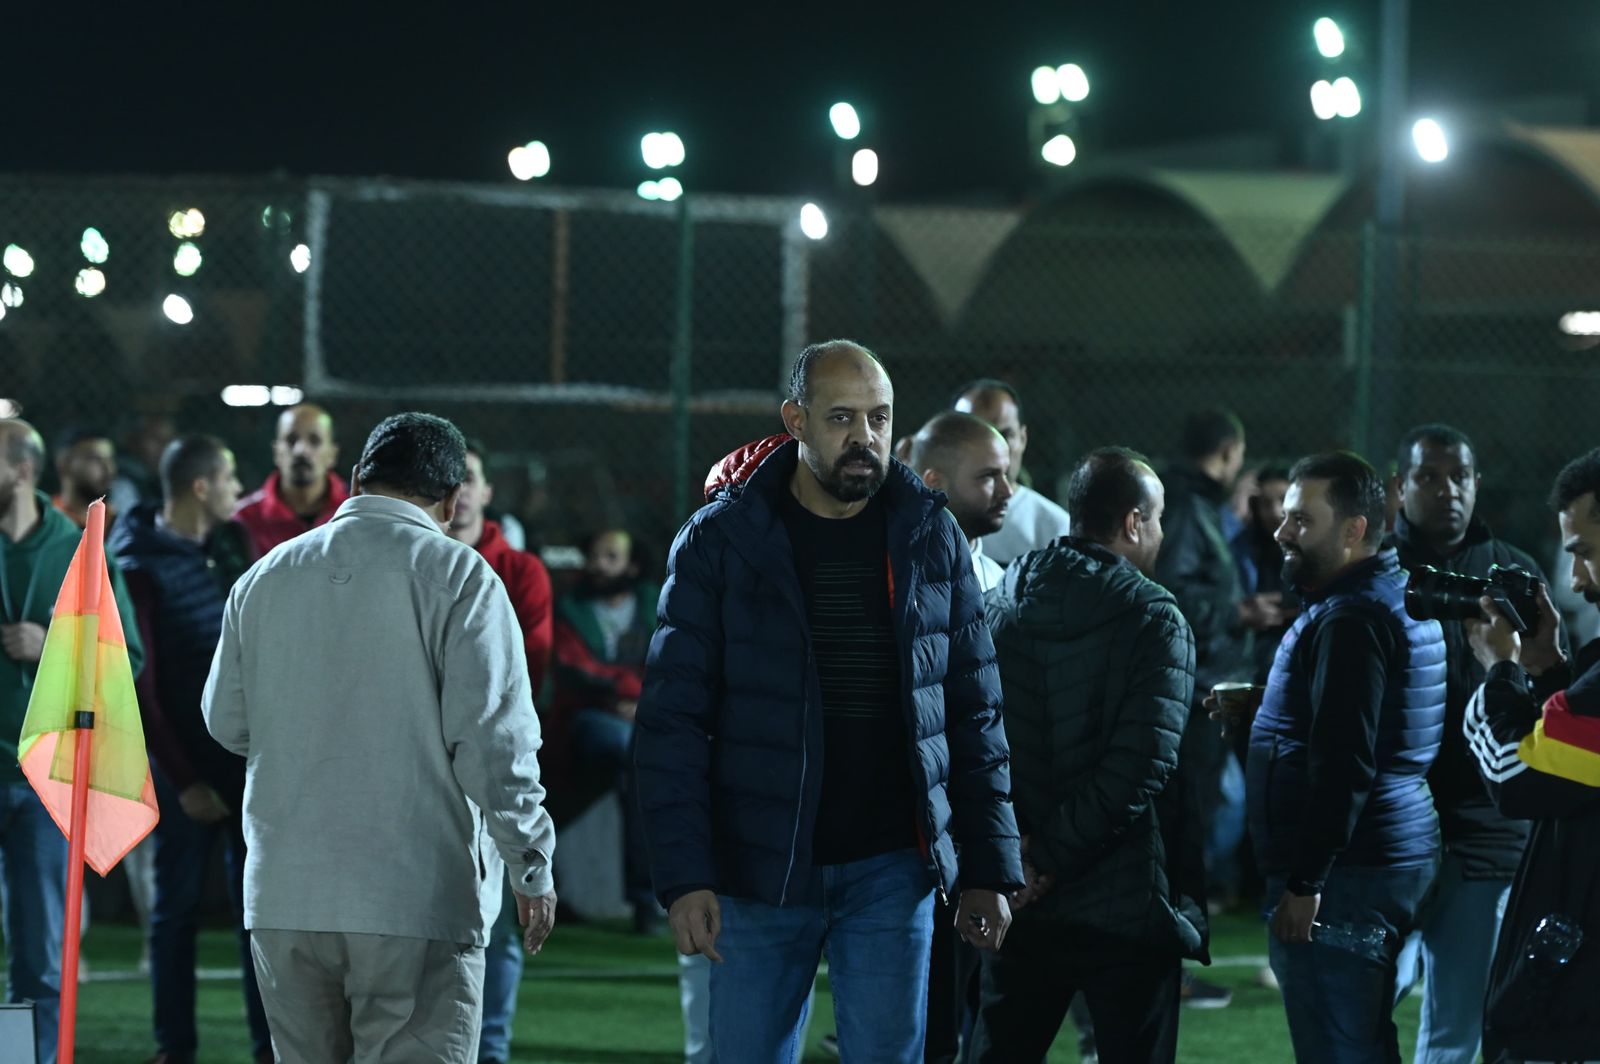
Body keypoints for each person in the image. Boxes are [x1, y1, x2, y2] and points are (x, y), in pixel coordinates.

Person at [636, 341, 1023, 1063]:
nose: (865, 437)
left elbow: (975, 710)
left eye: (879, 418)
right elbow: (672, 723)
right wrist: (684, 877)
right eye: (842, 417)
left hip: (892, 868)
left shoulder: (929, 533)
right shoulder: (722, 540)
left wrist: (988, 869)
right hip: (758, 867)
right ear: (796, 421)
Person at [202, 412, 558, 1063]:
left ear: (356, 478)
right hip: (416, 897)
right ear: (451, 500)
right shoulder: (463, 578)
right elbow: (495, 746)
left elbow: (225, 722)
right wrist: (530, 862)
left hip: (286, 894)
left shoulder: (263, 577)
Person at [973, 447, 1207, 1063]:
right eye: (1158, 519)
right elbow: (1141, 766)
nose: (1161, 534)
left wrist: (1019, 860)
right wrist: (1047, 858)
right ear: (1133, 522)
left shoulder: (1002, 599)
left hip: (1021, 896)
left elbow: (977, 743)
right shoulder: (1155, 616)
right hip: (1123, 901)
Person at [1245, 451, 1446, 1063]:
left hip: (1350, 872)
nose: (1282, 533)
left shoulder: (1353, 616)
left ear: (1354, 530)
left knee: (1341, 1048)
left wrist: (1307, 881)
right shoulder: (1387, 594)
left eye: (1302, 520)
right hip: (1382, 851)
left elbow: (1346, 760)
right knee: (1360, 1038)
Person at [1386, 424, 1558, 1064]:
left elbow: (1548, 697)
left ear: (1477, 483)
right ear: (1400, 486)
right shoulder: (1375, 570)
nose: (1447, 490)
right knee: (1353, 1014)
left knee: (1458, 1028)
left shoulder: (1515, 571)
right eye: (1429, 476)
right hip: (1386, 832)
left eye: (1459, 476)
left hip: (1485, 833)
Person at [108, 434, 269, 1064]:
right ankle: (174, 1049)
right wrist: (181, 780)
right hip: (181, 768)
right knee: (174, 912)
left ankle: (269, 1047)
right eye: (230, 477)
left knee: (258, 910)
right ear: (201, 487)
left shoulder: (232, 544)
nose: (239, 489)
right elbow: (141, 683)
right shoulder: (137, 563)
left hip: (246, 762)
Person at [0, 419, 144, 1064]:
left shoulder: (79, 551)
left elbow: (126, 658)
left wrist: (49, 646)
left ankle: (21, 1061)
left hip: (43, 781)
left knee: (38, 959)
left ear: (23, 470)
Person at [1464, 446, 1600, 1063]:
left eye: (1586, 552)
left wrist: (1501, 671)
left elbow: (1517, 775)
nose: (1577, 580)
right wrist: (1549, 671)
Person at [445, 440, 555, 1064]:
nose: (459, 491)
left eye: (471, 478)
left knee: (506, 915)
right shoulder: (417, 565)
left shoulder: (519, 571)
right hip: (428, 767)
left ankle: (491, 1049)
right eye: (449, 479)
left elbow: (530, 669)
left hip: (497, 756)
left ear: (488, 492)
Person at [1157, 410, 1272, 1006]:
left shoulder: (1193, 503)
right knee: (1187, 829)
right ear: (1229, 452)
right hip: (1197, 691)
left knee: (1201, 821)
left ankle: (1171, 961)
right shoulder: (1187, 506)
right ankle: (1167, 966)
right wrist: (1237, 613)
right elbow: (1172, 594)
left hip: (1204, 688)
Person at [549, 528, 659, 932]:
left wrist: (644, 702)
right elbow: (574, 668)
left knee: (638, 768)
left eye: (611, 557)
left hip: (647, 716)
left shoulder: (655, 602)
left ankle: (647, 900)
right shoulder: (570, 606)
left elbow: (674, 657)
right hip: (590, 717)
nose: (598, 565)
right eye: (594, 556)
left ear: (632, 566)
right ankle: (645, 900)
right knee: (637, 755)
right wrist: (630, 694)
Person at [952, 378, 1070, 565]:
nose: (993, 449)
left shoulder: (1056, 529)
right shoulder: (926, 516)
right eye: (975, 437)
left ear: (1023, 438)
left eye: (1005, 436)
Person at [908, 411, 1015, 593]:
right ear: (935, 482)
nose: (1007, 491)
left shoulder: (998, 580)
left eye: (1005, 474)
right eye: (988, 476)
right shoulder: (899, 574)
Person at [233, 404, 348, 558]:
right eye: (291, 440)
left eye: (314, 441)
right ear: (276, 452)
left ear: (333, 454)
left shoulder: (355, 511)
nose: (301, 450)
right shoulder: (244, 519)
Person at [51, 427, 119, 529]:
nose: (109, 469)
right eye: (95, 459)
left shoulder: (119, 524)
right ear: (64, 464)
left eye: (110, 459)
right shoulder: (45, 520)